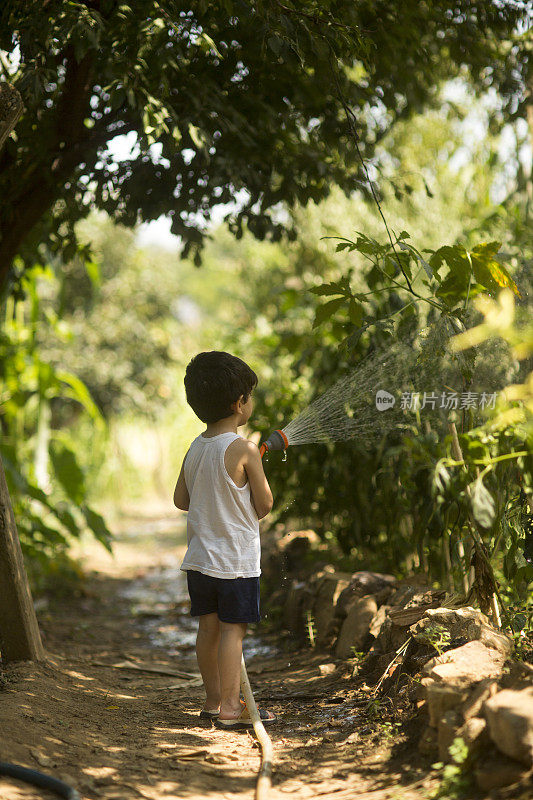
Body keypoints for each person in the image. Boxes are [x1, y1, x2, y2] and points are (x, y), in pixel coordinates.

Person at [173, 351, 277, 729]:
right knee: (234, 633)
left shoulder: (196, 447)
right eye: (250, 395)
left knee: (209, 629)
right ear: (239, 404)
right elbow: (263, 505)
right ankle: (234, 709)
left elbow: (181, 500)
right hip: (234, 564)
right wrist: (255, 467)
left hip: (200, 561)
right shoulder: (245, 449)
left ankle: (213, 700)